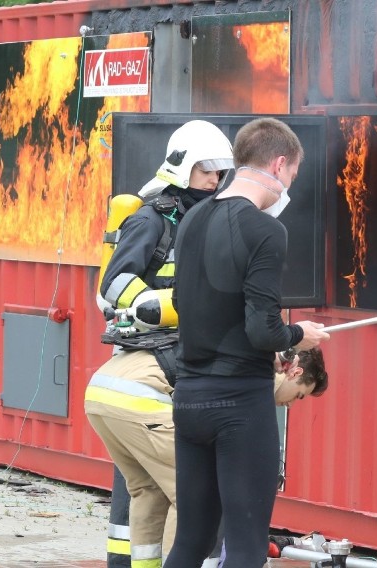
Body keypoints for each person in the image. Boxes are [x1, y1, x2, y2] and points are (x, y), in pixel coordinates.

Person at [164, 117, 330, 568]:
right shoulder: (266, 230)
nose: (289, 185)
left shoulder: (193, 218)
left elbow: (187, 302)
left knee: (191, 541)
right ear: (279, 165)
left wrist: (269, 345)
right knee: (245, 545)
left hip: (190, 398)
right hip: (239, 405)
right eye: (292, 175)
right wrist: (299, 336)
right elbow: (264, 328)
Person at [85, 120, 235, 568]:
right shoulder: (152, 218)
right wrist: (167, 304)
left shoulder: (203, 216)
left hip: (177, 363)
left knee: (148, 488)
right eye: (207, 168)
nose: (215, 177)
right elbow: (113, 286)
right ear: (182, 165)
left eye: (221, 169)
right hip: (141, 362)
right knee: (153, 488)